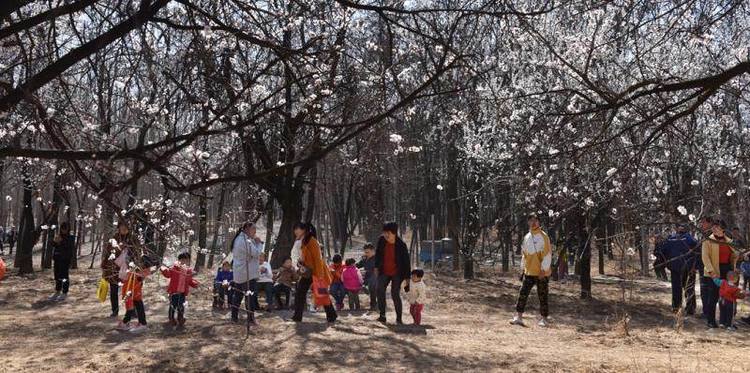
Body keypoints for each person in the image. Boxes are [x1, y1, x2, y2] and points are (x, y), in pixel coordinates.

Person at [510, 214, 552, 327]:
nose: (533, 223)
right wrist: (522, 269)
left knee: (542, 296)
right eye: (531, 220)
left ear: (539, 222)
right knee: (522, 294)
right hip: (529, 271)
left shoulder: (544, 237)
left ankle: (544, 319)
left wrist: (544, 270)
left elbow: (547, 255)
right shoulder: (527, 237)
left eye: (535, 220)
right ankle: (518, 317)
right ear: (528, 222)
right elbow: (524, 255)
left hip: (541, 273)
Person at [291, 222, 337, 323]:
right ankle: (297, 316)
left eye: (296, 229)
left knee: (322, 294)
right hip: (308, 272)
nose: (295, 231)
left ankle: (332, 315)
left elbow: (318, 259)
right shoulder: (304, 241)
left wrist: (320, 276)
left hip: (316, 272)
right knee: (300, 293)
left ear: (303, 230)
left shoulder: (312, 241)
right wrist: (300, 263)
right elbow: (306, 258)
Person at [701, 219, 738, 328]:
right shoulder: (708, 240)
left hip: (727, 271)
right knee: (713, 297)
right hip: (714, 271)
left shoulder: (729, 241)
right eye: (713, 227)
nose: (714, 228)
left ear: (722, 229)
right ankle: (711, 321)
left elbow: (734, 255)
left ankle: (726, 322)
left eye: (716, 227)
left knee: (727, 298)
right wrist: (711, 272)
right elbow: (705, 258)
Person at [656, 223, 698, 314]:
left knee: (688, 288)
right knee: (677, 289)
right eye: (679, 226)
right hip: (675, 268)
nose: (681, 228)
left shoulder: (690, 239)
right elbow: (662, 251)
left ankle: (690, 309)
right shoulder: (671, 238)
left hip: (688, 269)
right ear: (676, 228)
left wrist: (694, 267)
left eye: (682, 226)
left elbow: (697, 252)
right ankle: (676, 308)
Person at [375, 222, 411, 324]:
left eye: (388, 233)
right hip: (384, 271)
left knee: (395, 293)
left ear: (394, 233)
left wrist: (407, 279)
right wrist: (376, 267)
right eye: (384, 232)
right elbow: (377, 254)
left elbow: (406, 263)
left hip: (397, 272)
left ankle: (399, 318)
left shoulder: (401, 245)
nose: (386, 235)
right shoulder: (382, 241)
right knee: (379, 289)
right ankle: (382, 315)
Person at [101, 220, 138, 318]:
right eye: (122, 226)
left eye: (126, 226)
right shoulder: (114, 238)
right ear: (119, 227)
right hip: (114, 268)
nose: (124, 228)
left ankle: (132, 310)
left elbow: (137, 252)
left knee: (130, 290)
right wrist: (117, 249)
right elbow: (109, 252)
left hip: (128, 267)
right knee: (113, 289)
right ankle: (115, 311)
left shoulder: (133, 238)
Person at [116, 231, 150, 333]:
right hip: (129, 280)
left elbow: (146, 268)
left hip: (134, 280)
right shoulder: (128, 253)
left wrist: (141, 276)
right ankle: (140, 322)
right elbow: (119, 263)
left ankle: (128, 322)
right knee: (135, 301)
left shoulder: (141, 255)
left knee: (133, 301)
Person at [230, 222, 263, 324]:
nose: (255, 232)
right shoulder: (245, 240)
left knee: (238, 295)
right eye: (253, 230)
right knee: (249, 296)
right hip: (247, 273)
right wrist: (259, 244)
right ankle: (250, 318)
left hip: (241, 272)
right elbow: (256, 253)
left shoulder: (241, 239)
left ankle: (234, 316)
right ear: (247, 229)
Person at [160, 252, 199, 328]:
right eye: (182, 260)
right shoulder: (174, 268)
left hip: (182, 292)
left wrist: (195, 284)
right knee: (173, 306)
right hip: (173, 292)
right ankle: (171, 319)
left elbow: (190, 280)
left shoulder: (188, 271)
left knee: (181, 306)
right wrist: (163, 269)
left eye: (186, 260)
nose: (184, 262)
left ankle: (180, 318)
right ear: (179, 260)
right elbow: (168, 274)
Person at [49, 222, 75, 301]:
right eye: (62, 229)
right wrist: (54, 242)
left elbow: (69, 247)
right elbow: (55, 245)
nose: (63, 231)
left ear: (67, 229)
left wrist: (61, 242)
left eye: (65, 229)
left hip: (65, 259)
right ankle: (57, 290)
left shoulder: (70, 237)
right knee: (57, 275)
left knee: (64, 276)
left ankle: (65, 292)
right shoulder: (59, 236)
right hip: (57, 258)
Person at [356, 243, 377, 310]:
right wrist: (349, 266)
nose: (366, 254)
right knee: (368, 283)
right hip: (367, 278)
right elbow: (358, 265)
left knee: (372, 284)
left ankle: (373, 305)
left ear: (373, 250)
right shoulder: (365, 258)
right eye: (365, 252)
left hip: (377, 277)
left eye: (367, 252)